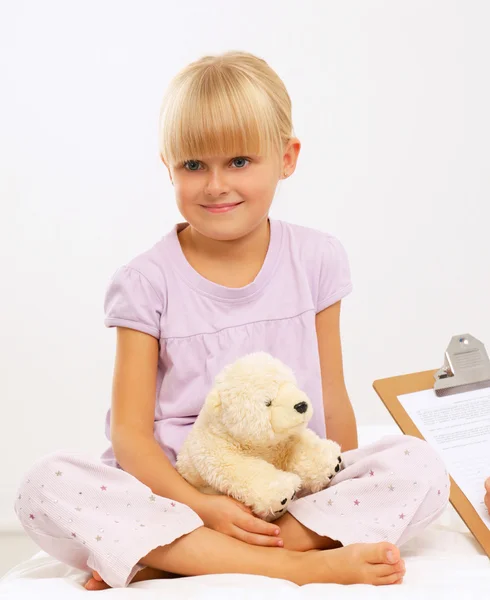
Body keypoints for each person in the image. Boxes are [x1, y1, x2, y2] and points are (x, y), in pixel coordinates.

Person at [14, 51, 450, 590]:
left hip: (288, 490)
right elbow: (129, 434)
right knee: (46, 485)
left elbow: (331, 396)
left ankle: (180, 557)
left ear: (286, 157)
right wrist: (201, 504)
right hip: (176, 493)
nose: (216, 184)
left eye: (239, 161)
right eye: (194, 166)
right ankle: (286, 561)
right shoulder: (146, 281)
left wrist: (330, 489)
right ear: (168, 167)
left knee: (419, 464)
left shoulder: (317, 258)